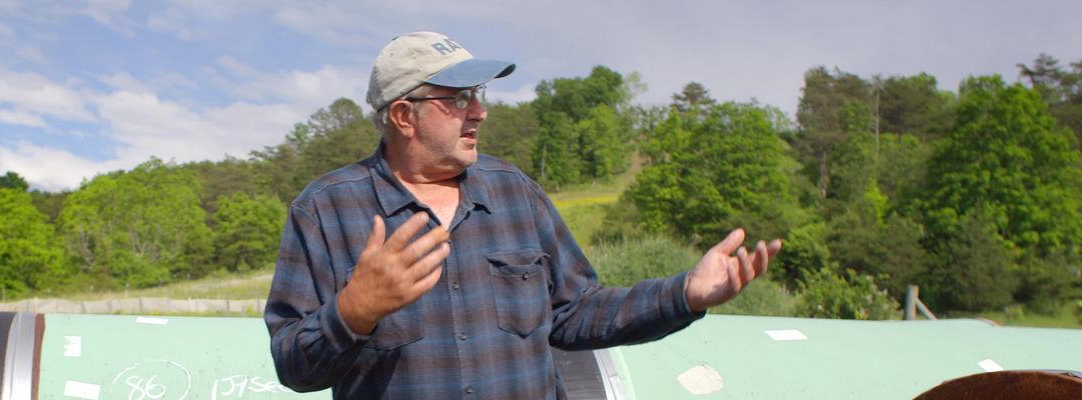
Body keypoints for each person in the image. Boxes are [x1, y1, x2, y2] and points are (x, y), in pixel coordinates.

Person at [264, 31, 782, 399]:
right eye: (459, 98)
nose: (480, 111)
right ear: (404, 115)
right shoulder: (325, 210)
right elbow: (294, 366)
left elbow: (576, 312)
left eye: (479, 94)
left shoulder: (516, 194)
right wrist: (354, 311)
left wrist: (685, 292)